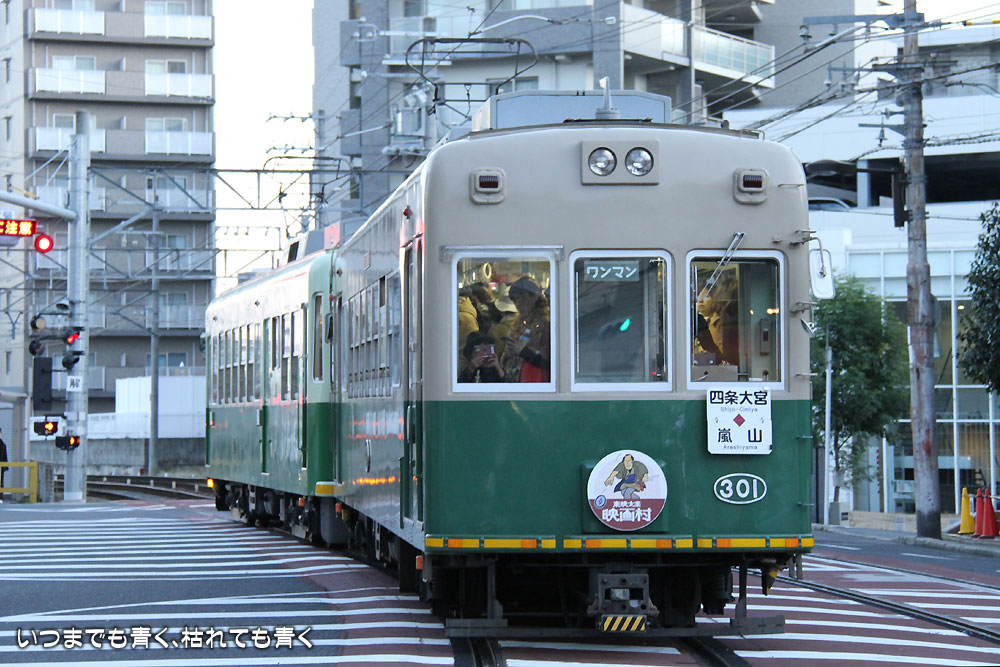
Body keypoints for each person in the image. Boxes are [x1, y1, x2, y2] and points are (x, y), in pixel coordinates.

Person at [500, 276, 551, 383]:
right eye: (515, 300)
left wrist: (525, 352)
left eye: (521, 299)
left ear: (533, 297)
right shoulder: (519, 322)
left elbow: (552, 363)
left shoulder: (546, 324)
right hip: (516, 380)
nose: (517, 304)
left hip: (535, 382)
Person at [0, 427, 7, 503]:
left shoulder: (2, 445)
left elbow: (2, 456)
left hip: (1, 467)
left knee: (0, 482)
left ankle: (0, 497)